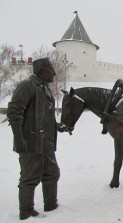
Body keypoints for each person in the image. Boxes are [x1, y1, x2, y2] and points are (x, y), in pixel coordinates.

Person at [7, 58, 64, 220]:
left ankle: (51, 204)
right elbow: (14, 112)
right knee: (30, 177)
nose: (54, 73)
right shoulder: (28, 86)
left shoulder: (43, 88)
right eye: (50, 70)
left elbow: (44, 116)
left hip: (46, 143)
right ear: (40, 71)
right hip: (31, 143)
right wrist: (18, 138)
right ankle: (26, 211)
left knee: (52, 173)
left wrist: (57, 126)